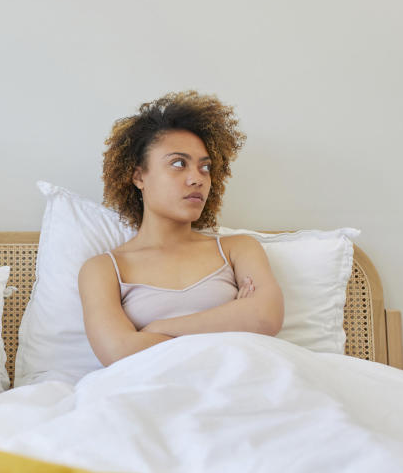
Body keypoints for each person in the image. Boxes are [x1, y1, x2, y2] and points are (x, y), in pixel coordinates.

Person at [78, 91, 284, 366]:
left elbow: (265, 317)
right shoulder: (103, 269)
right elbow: (118, 352)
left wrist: (155, 329)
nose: (197, 179)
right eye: (178, 163)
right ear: (139, 176)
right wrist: (232, 317)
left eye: (205, 167)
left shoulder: (238, 249)